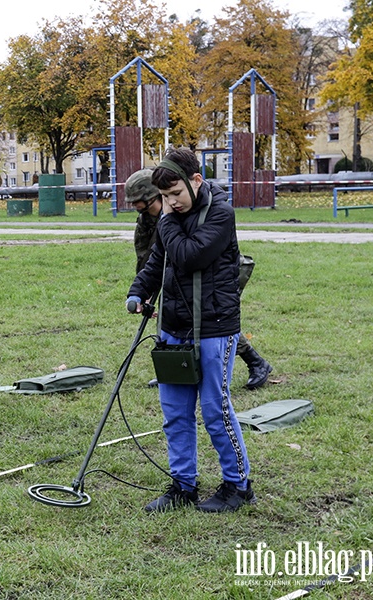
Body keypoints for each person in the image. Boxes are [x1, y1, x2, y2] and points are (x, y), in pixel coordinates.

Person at [126, 148, 255, 513]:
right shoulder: (171, 217)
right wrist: (137, 292)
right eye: (164, 198)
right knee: (176, 414)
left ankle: (238, 485)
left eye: (176, 195)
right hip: (174, 329)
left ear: (195, 181)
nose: (170, 203)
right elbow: (158, 261)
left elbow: (189, 255)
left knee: (216, 410)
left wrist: (165, 221)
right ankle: (183, 485)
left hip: (215, 328)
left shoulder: (220, 214)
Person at [126, 168, 273, 390]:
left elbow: (193, 254)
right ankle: (175, 367)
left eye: (147, 206)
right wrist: (144, 291)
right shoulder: (148, 221)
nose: (145, 212)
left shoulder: (192, 214)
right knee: (172, 319)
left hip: (212, 278)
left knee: (209, 321)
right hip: (173, 279)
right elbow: (148, 257)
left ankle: (256, 362)